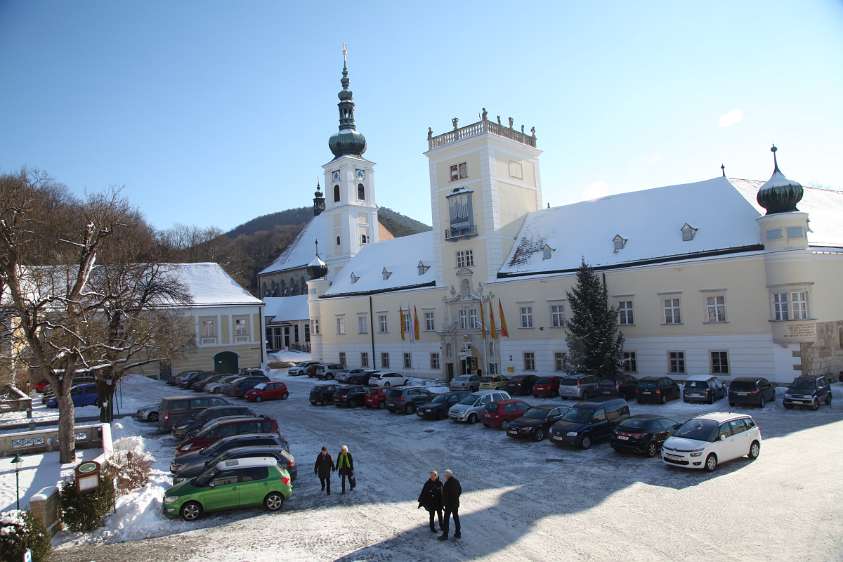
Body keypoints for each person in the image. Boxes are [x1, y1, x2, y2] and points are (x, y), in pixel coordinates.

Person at [439, 469, 462, 540]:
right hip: (455, 504)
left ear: (447, 476)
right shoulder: (456, 481)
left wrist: (443, 504)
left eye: (445, 476)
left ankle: (445, 535)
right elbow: (460, 490)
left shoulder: (447, 484)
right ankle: (458, 533)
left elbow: (444, 496)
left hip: (449, 505)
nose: (445, 477)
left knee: (446, 519)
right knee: (456, 518)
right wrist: (456, 497)